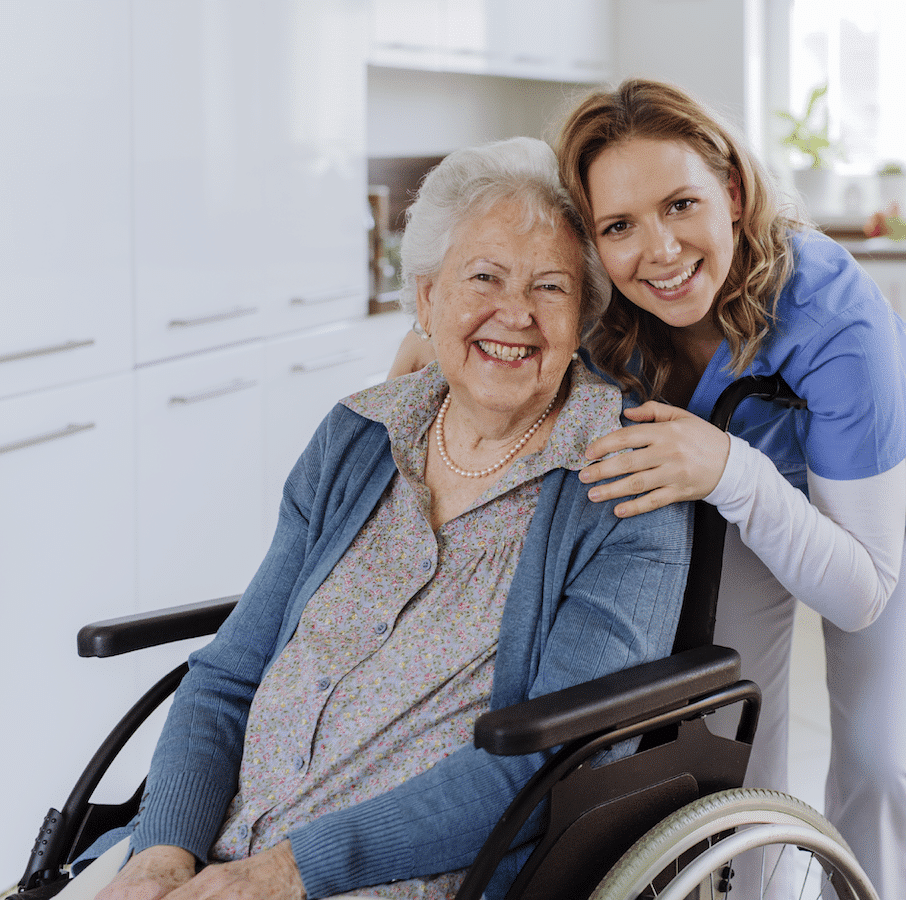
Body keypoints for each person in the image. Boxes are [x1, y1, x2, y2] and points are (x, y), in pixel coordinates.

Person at [61, 137, 692, 900]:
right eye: (483, 277)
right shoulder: (357, 435)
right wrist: (162, 853)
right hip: (211, 853)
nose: (515, 314)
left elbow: (550, 760)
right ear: (427, 299)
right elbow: (228, 677)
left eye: (550, 288)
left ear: (584, 314)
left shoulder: (623, 479)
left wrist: (287, 873)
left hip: (403, 875)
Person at [553, 78, 906, 897]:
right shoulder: (603, 318)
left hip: (871, 496)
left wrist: (729, 469)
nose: (661, 251)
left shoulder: (832, 313)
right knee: (738, 748)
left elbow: (860, 595)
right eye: (619, 226)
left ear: (734, 192)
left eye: (681, 204)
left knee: (880, 760)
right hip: (728, 493)